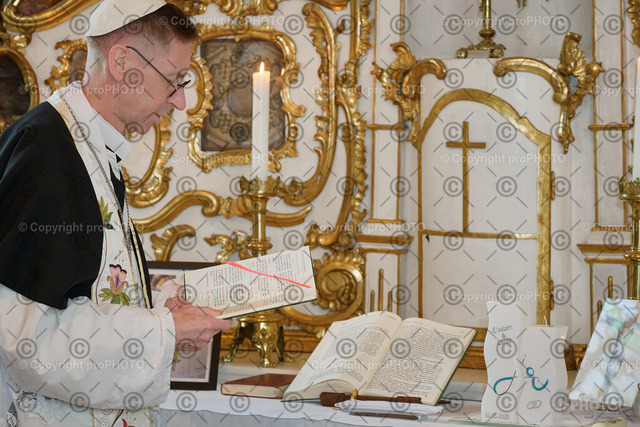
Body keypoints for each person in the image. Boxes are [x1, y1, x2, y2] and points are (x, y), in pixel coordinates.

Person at [0, 0, 231, 425]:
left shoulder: (86, 144)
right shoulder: (47, 150)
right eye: (174, 81)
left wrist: (158, 309)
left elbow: (83, 291)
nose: (181, 101)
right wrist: (163, 332)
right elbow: (27, 340)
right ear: (122, 63)